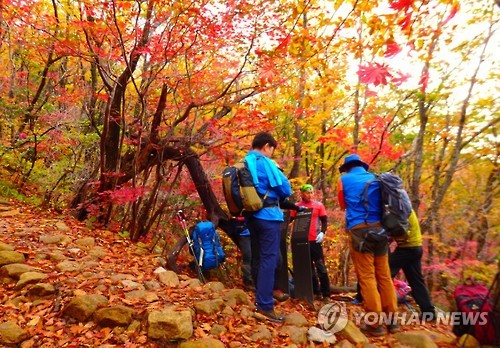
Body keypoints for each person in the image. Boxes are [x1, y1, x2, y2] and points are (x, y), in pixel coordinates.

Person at [337, 153, 399, 336]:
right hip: (380, 231)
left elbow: (342, 205)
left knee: (367, 277)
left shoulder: (343, 180)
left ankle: (375, 324)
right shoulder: (377, 179)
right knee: (385, 276)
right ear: (362, 166)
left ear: (347, 167)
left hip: (359, 231)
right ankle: (393, 322)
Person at [245, 131, 293, 323]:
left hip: (252, 216)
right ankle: (264, 305)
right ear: (266, 146)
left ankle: (262, 296)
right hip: (268, 216)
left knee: (258, 257)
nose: (271, 153)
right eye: (271, 149)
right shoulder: (265, 162)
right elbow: (285, 189)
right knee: (269, 259)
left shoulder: (245, 162)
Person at [389, 209, 436, 321]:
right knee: (416, 281)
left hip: (407, 248)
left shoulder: (399, 209)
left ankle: (382, 309)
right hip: (416, 247)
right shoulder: (405, 207)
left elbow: (398, 230)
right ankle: (429, 313)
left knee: (384, 274)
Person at [290, 184, 331, 300]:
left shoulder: (319, 206)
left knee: (321, 267)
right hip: (301, 241)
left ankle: (326, 294)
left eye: (312, 192)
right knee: (309, 269)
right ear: (302, 194)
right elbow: (290, 220)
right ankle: (316, 292)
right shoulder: (296, 207)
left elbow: (324, 221)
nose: (310, 195)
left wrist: (322, 232)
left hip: (315, 240)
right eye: (307, 192)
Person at [228, 216, 254, 291]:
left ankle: (253, 280)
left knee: (254, 257)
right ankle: (248, 282)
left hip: (253, 232)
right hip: (243, 233)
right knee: (248, 257)